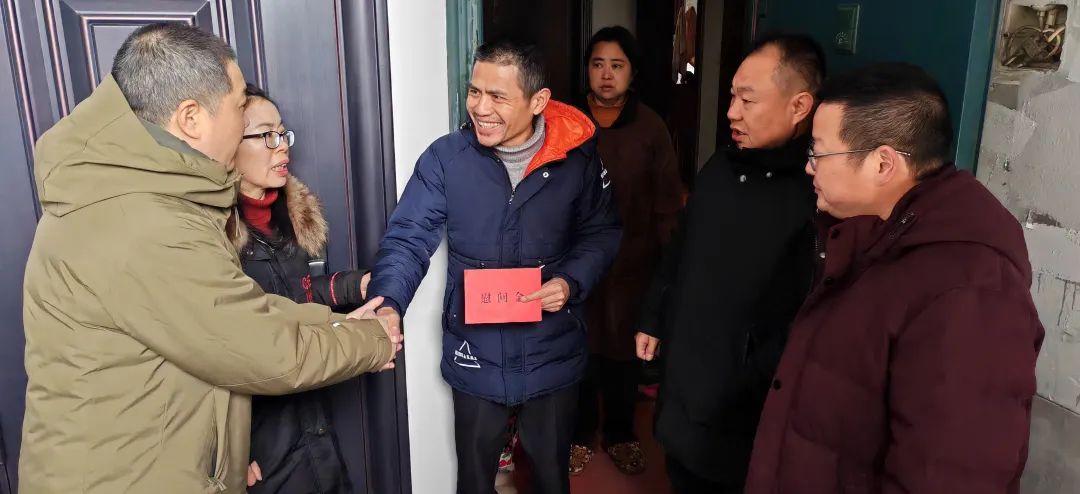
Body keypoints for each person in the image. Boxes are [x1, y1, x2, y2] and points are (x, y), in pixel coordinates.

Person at [20, 23, 400, 493]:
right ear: (191, 118)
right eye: (240, 106)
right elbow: (263, 348)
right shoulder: (145, 222)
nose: (246, 124)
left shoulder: (138, 195)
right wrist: (372, 341)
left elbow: (237, 311)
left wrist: (337, 324)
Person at [745, 63, 1044, 494]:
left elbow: (948, 476)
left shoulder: (971, 291)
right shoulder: (864, 237)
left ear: (883, 163)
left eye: (819, 153)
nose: (809, 167)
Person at [367, 39, 621, 494]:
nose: (480, 108)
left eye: (498, 96)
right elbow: (408, 237)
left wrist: (570, 281)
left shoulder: (577, 159)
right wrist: (388, 301)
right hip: (476, 353)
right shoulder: (446, 159)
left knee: (550, 479)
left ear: (538, 101)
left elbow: (602, 232)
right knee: (474, 479)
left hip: (552, 352)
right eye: (474, 92)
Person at [634, 33, 825, 493]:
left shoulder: (817, 194)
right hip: (686, 373)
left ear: (799, 106)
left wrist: (744, 377)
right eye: (732, 97)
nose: (731, 113)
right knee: (679, 469)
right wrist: (654, 317)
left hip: (742, 399)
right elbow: (680, 246)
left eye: (747, 100)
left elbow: (807, 317)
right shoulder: (721, 164)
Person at [232, 85, 372, 493]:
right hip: (262, 440)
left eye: (282, 133)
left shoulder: (288, 218)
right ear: (227, 143)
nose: (282, 146)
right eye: (266, 135)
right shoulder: (210, 236)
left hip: (311, 420)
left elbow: (298, 295)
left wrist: (358, 285)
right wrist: (227, 448)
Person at [569, 25, 683, 476]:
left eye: (617, 65)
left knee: (624, 350)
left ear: (632, 73)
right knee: (577, 347)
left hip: (633, 259)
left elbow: (667, 201)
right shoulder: (566, 120)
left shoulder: (650, 126)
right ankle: (578, 433)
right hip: (575, 258)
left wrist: (671, 261)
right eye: (598, 64)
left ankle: (619, 433)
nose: (606, 74)